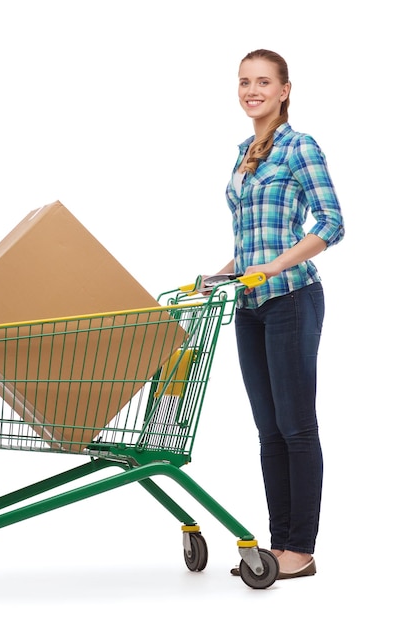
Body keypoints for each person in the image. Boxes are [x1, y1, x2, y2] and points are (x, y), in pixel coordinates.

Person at [204, 49, 344, 579]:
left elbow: (330, 223)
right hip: (250, 304)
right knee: (268, 430)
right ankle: (279, 543)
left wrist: (275, 267)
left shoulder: (299, 148)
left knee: (296, 427)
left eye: (263, 82)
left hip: (292, 299)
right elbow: (252, 242)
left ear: (285, 90)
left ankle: (299, 549)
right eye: (244, 82)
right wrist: (221, 275)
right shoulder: (244, 153)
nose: (251, 91)